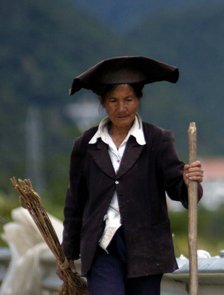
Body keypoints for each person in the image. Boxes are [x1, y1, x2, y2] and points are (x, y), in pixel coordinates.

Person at [61, 56, 204, 295]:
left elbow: (180, 190)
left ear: (138, 100)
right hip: (102, 247)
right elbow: (75, 203)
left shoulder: (157, 140)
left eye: (128, 99)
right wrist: (66, 255)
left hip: (147, 249)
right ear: (103, 103)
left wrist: (188, 181)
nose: (121, 108)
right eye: (113, 100)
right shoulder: (85, 145)